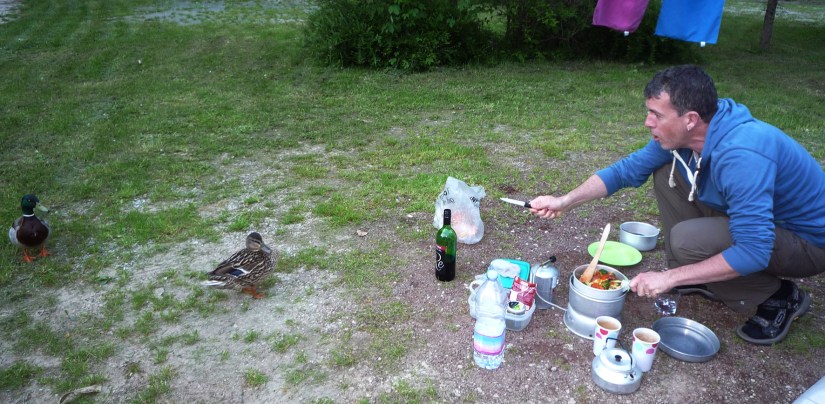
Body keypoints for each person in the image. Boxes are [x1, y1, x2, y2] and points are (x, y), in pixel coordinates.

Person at [528, 65, 825, 345]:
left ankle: (779, 296)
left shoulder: (742, 155)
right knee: (664, 173)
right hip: (764, 223)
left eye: (656, 115)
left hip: (807, 244)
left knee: (687, 241)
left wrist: (668, 278)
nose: (648, 122)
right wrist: (564, 201)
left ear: (690, 119)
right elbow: (627, 170)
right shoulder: (692, 134)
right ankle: (700, 271)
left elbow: (754, 250)